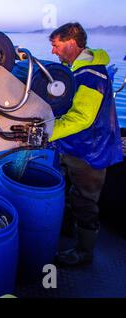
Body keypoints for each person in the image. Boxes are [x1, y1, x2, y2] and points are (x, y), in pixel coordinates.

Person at [48, 22, 123, 267]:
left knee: (85, 200)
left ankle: (84, 252)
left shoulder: (91, 76)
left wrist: (47, 130)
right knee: (72, 192)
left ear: (71, 43)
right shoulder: (79, 69)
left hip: (91, 150)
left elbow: (82, 117)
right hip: (75, 146)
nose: (53, 52)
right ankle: (68, 231)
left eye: (56, 46)